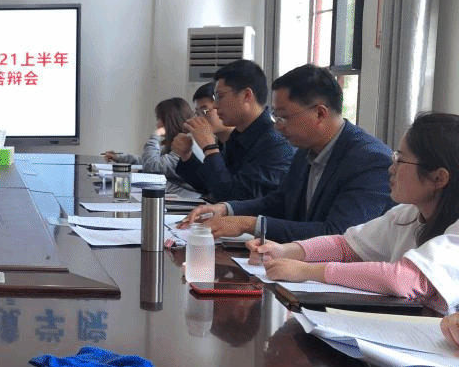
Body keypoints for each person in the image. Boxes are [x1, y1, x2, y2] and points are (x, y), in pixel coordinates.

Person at [253, 112, 459, 315]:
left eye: (400, 160)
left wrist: (307, 271)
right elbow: (346, 246)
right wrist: (285, 250)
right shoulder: (407, 215)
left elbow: (403, 278)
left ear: (439, 178)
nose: (391, 168)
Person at [180, 65, 393, 242]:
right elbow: (281, 201)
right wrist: (227, 209)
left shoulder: (369, 160)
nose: (278, 126)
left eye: (283, 117)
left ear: (320, 113)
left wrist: (248, 224)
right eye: (276, 116)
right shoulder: (306, 149)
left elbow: (337, 235)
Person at [172, 59, 294, 201]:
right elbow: (212, 186)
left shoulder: (276, 145)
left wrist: (209, 148)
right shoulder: (238, 137)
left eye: (220, 96)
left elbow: (235, 199)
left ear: (247, 96)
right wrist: (187, 156)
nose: (215, 105)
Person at [103, 97, 195, 181]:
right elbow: (147, 161)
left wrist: (156, 135)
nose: (156, 124)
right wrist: (119, 158)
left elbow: (151, 166)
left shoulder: (185, 147)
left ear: (168, 121)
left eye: (158, 119)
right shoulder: (174, 144)